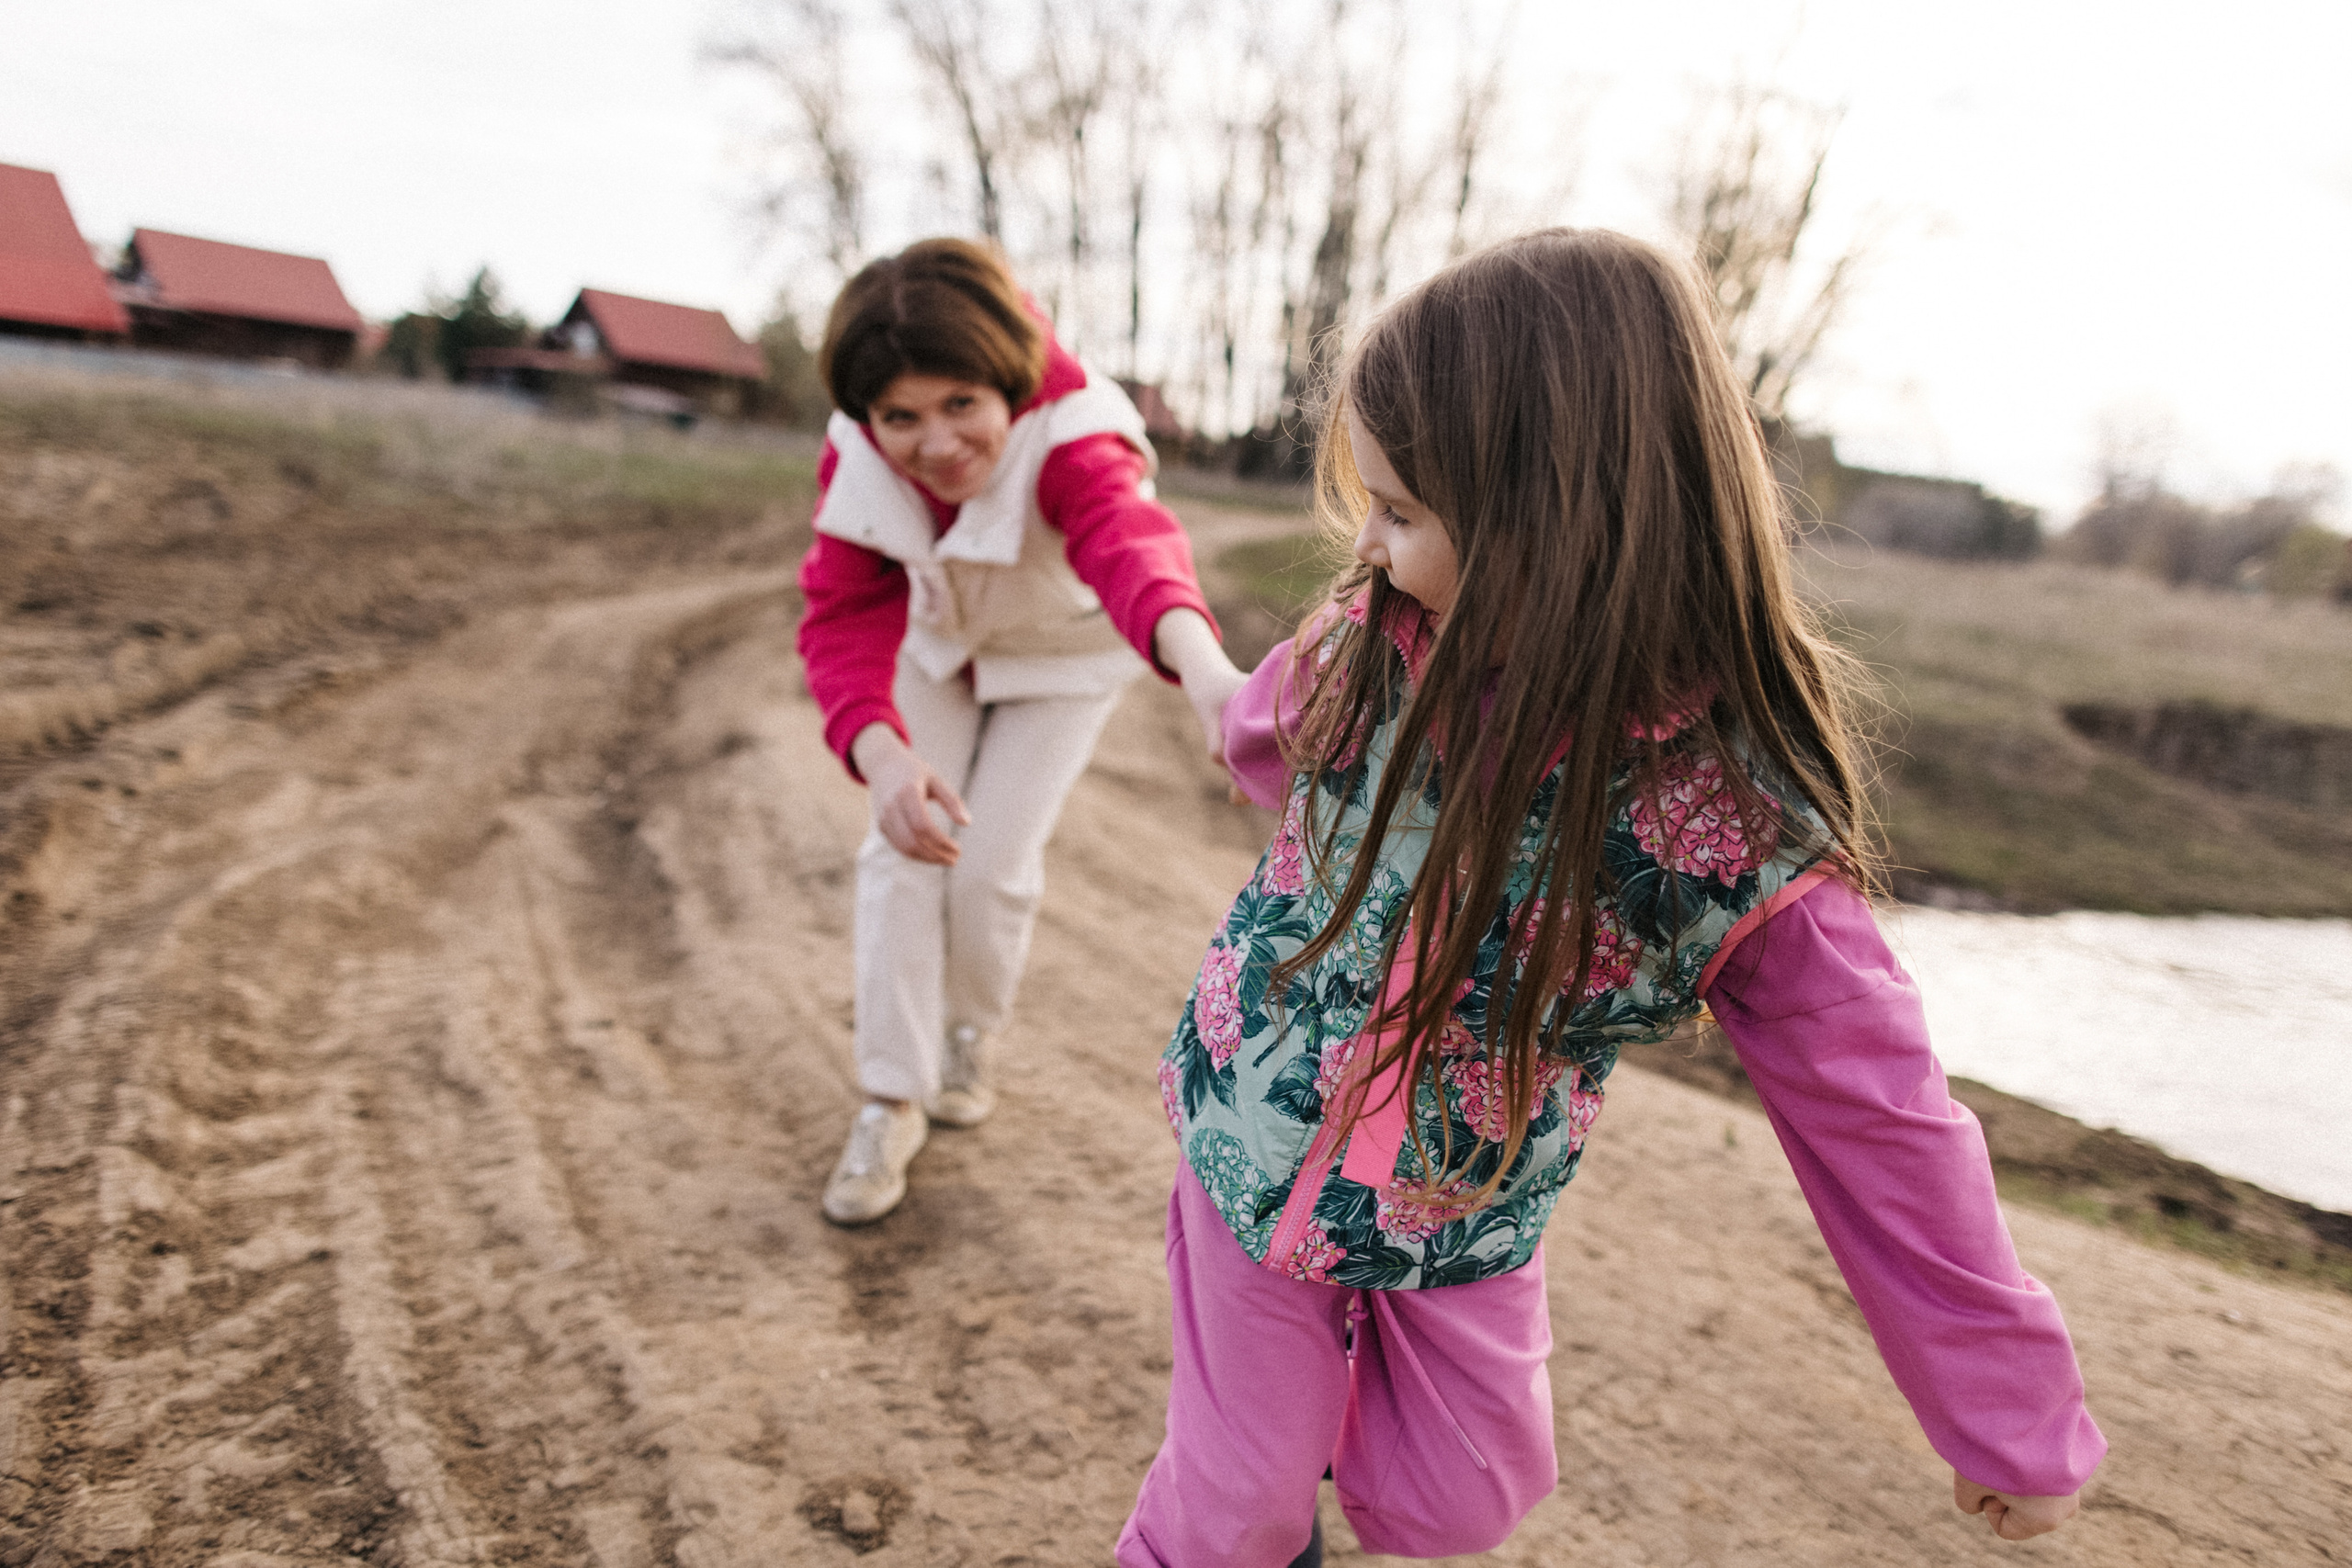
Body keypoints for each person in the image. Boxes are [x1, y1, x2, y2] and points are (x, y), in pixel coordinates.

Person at [1117, 229, 2103, 1566]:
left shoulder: (1725, 834)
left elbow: (1889, 1129)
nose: (1369, 544)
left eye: (1402, 510)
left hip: (1456, 1211)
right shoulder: (1373, 637)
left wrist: (2012, 1420)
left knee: (1456, 1501)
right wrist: (1199, 666)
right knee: (1237, 1506)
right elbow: (1264, 727)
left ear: (1544, 525)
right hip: (1252, 1127)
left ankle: (1303, 1459)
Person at [800, 238, 1244, 1225]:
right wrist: (881, 757)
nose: (935, 442)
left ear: (1006, 383)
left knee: (990, 862)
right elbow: (842, 612)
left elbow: (1130, 548)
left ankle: (969, 1034)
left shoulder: (1078, 430)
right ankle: (890, 1095)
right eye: (900, 418)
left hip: (1063, 657)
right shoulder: (859, 450)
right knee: (903, 846)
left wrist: (1205, 673)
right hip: (938, 645)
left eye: (961, 403)